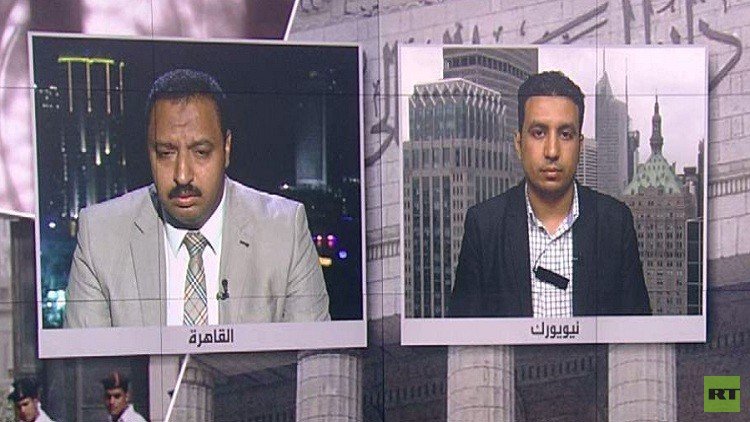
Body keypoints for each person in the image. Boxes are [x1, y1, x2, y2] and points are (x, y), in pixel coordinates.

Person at [64, 69, 330, 327]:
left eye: (201, 152)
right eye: (165, 153)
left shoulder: (285, 232)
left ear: (226, 148)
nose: (182, 176)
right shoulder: (99, 237)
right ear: (149, 152)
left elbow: (313, 355)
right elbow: (87, 358)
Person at [448, 71, 651, 318]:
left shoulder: (615, 223)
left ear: (579, 145)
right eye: (538, 133)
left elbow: (638, 332)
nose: (552, 151)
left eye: (565, 134)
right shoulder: (484, 226)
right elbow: (463, 334)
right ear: (519, 144)